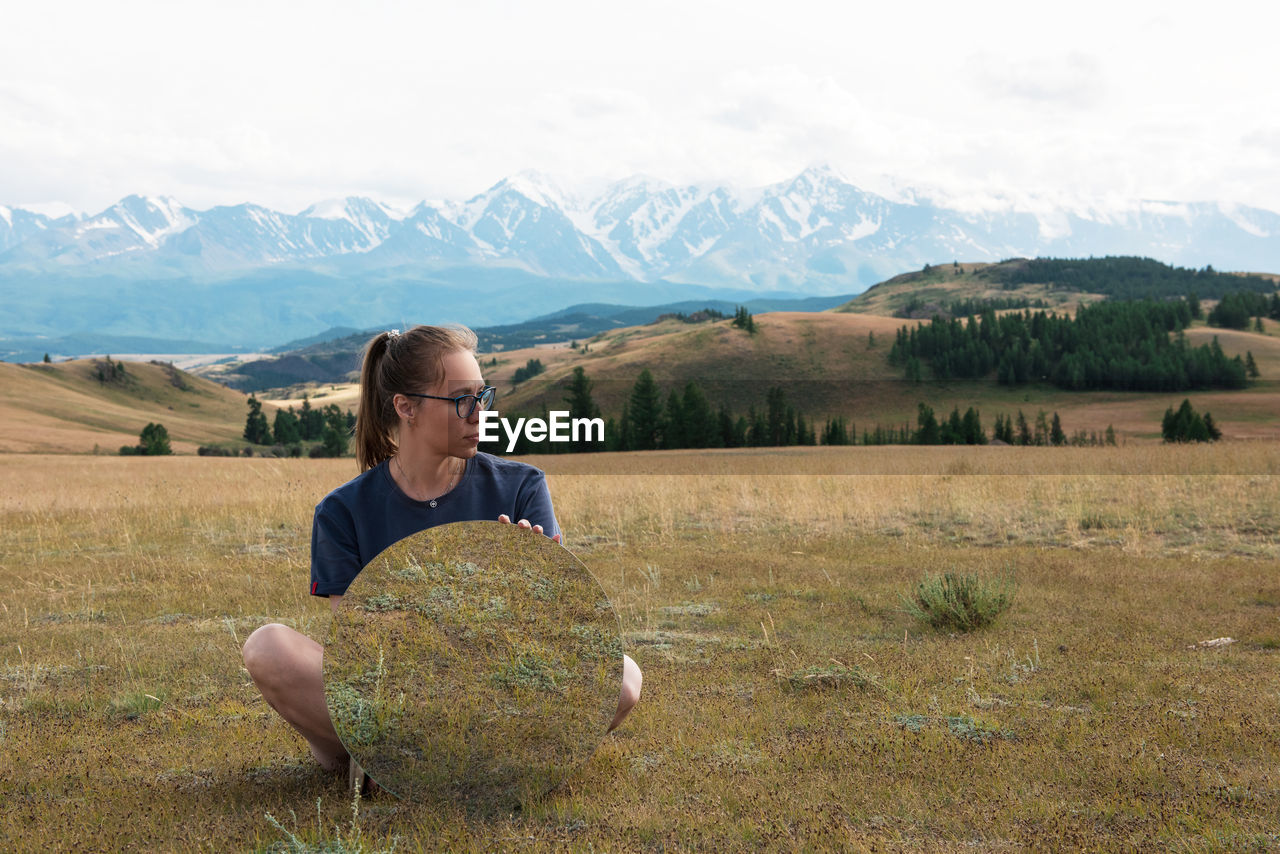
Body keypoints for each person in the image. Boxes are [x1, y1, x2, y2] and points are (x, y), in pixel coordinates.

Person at [241, 324, 642, 791]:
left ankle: (404, 763)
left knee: (623, 678)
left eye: (482, 397)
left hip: (493, 687)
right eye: (461, 400)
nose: (479, 415)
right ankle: (444, 758)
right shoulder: (342, 511)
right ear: (405, 407)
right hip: (391, 693)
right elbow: (361, 645)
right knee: (268, 647)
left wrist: (526, 585)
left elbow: (546, 638)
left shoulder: (522, 486)